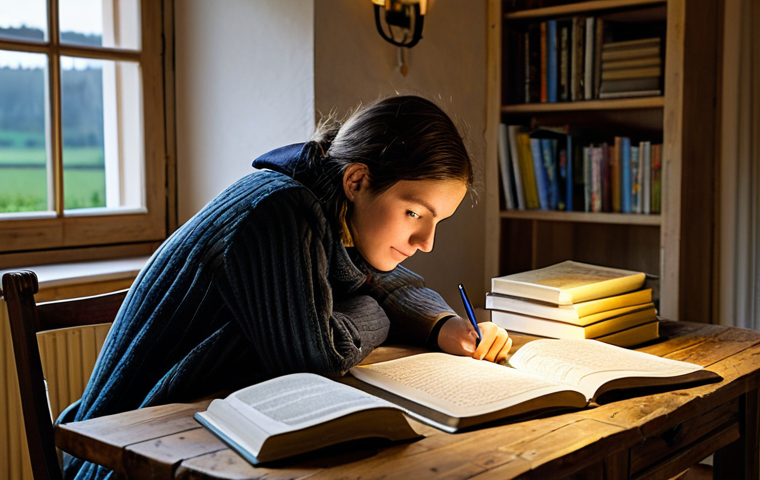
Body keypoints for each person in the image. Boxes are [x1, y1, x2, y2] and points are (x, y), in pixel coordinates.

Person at [61, 95, 511, 479]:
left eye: (438, 222)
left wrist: (445, 324)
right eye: (415, 213)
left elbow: (386, 281)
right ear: (356, 180)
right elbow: (316, 359)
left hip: (207, 426)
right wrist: (373, 311)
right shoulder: (280, 210)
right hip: (131, 452)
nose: (426, 242)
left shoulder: (335, 210)